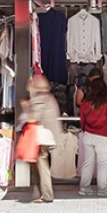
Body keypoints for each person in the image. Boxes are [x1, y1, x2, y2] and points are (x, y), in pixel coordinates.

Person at [17, 76, 65, 204]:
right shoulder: (50, 98)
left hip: (40, 137)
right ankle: (40, 192)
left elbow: (34, 118)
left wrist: (26, 107)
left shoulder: (40, 99)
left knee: (41, 165)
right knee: (39, 164)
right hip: (47, 136)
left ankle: (46, 194)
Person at [75, 73, 107, 197]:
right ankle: (103, 189)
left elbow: (82, 118)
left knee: (88, 162)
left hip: (88, 135)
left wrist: (84, 129)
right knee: (102, 164)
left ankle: (84, 188)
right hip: (103, 136)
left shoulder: (86, 102)